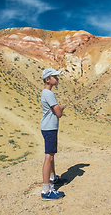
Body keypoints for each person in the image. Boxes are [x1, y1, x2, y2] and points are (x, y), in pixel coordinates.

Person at [40, 68, 67, 201]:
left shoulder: (45, 92)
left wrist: (56, 107)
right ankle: (46, 191)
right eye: (55, 76)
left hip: (48, 127)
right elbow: (59, 114)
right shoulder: (49, 94)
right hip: (50, 128)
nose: (57, 78)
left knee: (51, 155)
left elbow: (53, 109)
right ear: (48, 79)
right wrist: (60, 107)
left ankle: (52, 178)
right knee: (48, 158)